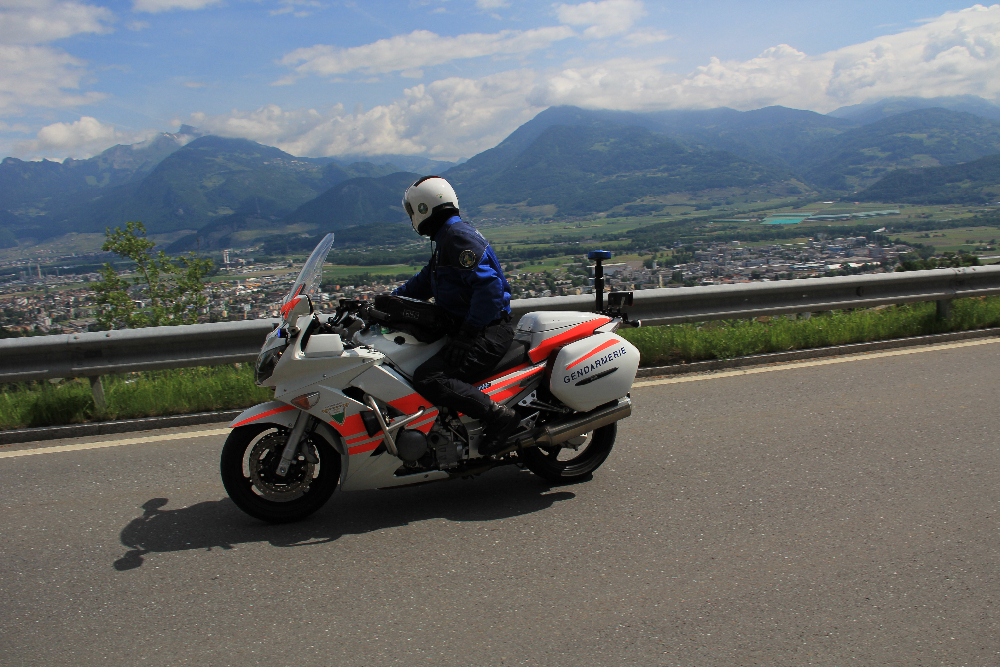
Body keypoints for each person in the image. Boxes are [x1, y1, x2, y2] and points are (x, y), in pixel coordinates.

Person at [392, 175, 520, 455]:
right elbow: (421, 284)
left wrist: (468, 333)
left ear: (424, 207)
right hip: (474, 328)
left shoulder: (457, 238)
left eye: (412, 210)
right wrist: (386, 302)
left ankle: (499, 417)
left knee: (429, 378)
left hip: (487, 331)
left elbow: (490, 289)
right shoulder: (446, 240)